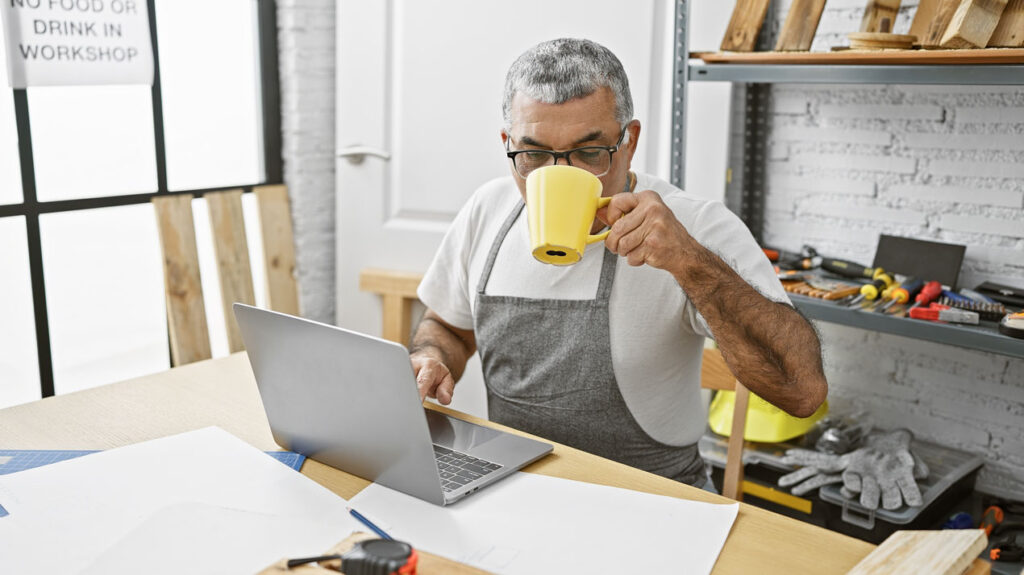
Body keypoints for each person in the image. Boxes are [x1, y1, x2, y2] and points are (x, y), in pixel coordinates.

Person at [410, 38, 828, 488]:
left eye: (589, 153)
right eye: (533, 155)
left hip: (655, 501)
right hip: (517, 491)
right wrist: (431, 358)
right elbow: (448, 327)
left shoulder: (695, 226)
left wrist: (690, 263)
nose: (561, 175)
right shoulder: (487, 209)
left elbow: (801, 390)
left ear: (629, 141)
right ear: (507, 144)